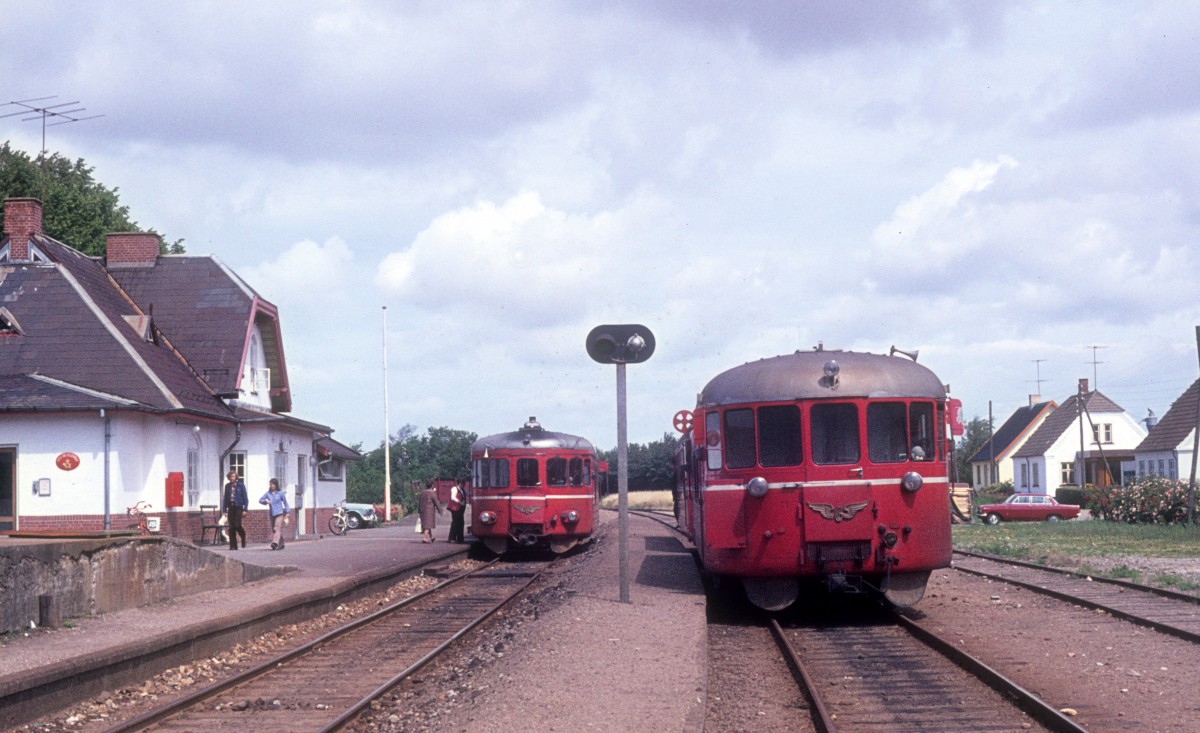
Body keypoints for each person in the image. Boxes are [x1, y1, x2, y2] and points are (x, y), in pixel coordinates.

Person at [259, 478, 289, 550]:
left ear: (276, 485)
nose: (271, 486)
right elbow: (260, 500)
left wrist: (287, 512)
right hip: (272, 513)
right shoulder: (268, 493)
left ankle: (274, 543)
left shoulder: (280, 493)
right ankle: (281, 544)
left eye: (272, 484)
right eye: (270, 484)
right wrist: (266, 502)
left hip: (279, 513)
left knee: (276, 528)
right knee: (274, 529)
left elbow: (285, 503)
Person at [221, 470, 248, 550]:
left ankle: (243, 535)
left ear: (236, 477)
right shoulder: (227, 486)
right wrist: (224, 510)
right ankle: (233, 545)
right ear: (228, 477)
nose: (232, 478)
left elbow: (245, 498)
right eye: (230, 477)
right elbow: (225, 499)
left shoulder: (241, 485)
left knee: (237, 524)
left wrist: (245, 509)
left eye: (233, 476)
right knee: (231, 526)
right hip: (231, 506)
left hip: (239, 507)